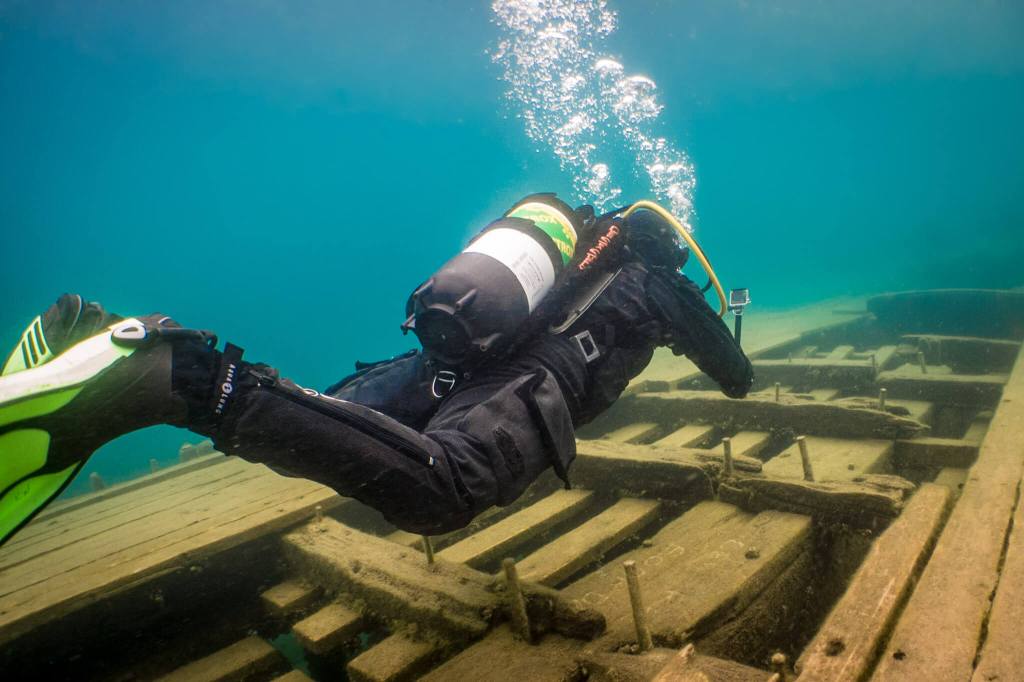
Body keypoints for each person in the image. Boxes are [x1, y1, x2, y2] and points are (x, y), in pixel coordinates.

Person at [0, 198, 753, 546]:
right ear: (665, 248)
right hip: (523, 383)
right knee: (443, 491)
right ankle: (180, 378)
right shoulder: (657, 283)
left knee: (331, 420)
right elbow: (735, 374)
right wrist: (717, 335)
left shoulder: (568, 258)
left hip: (441, 359)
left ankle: (106, 352)